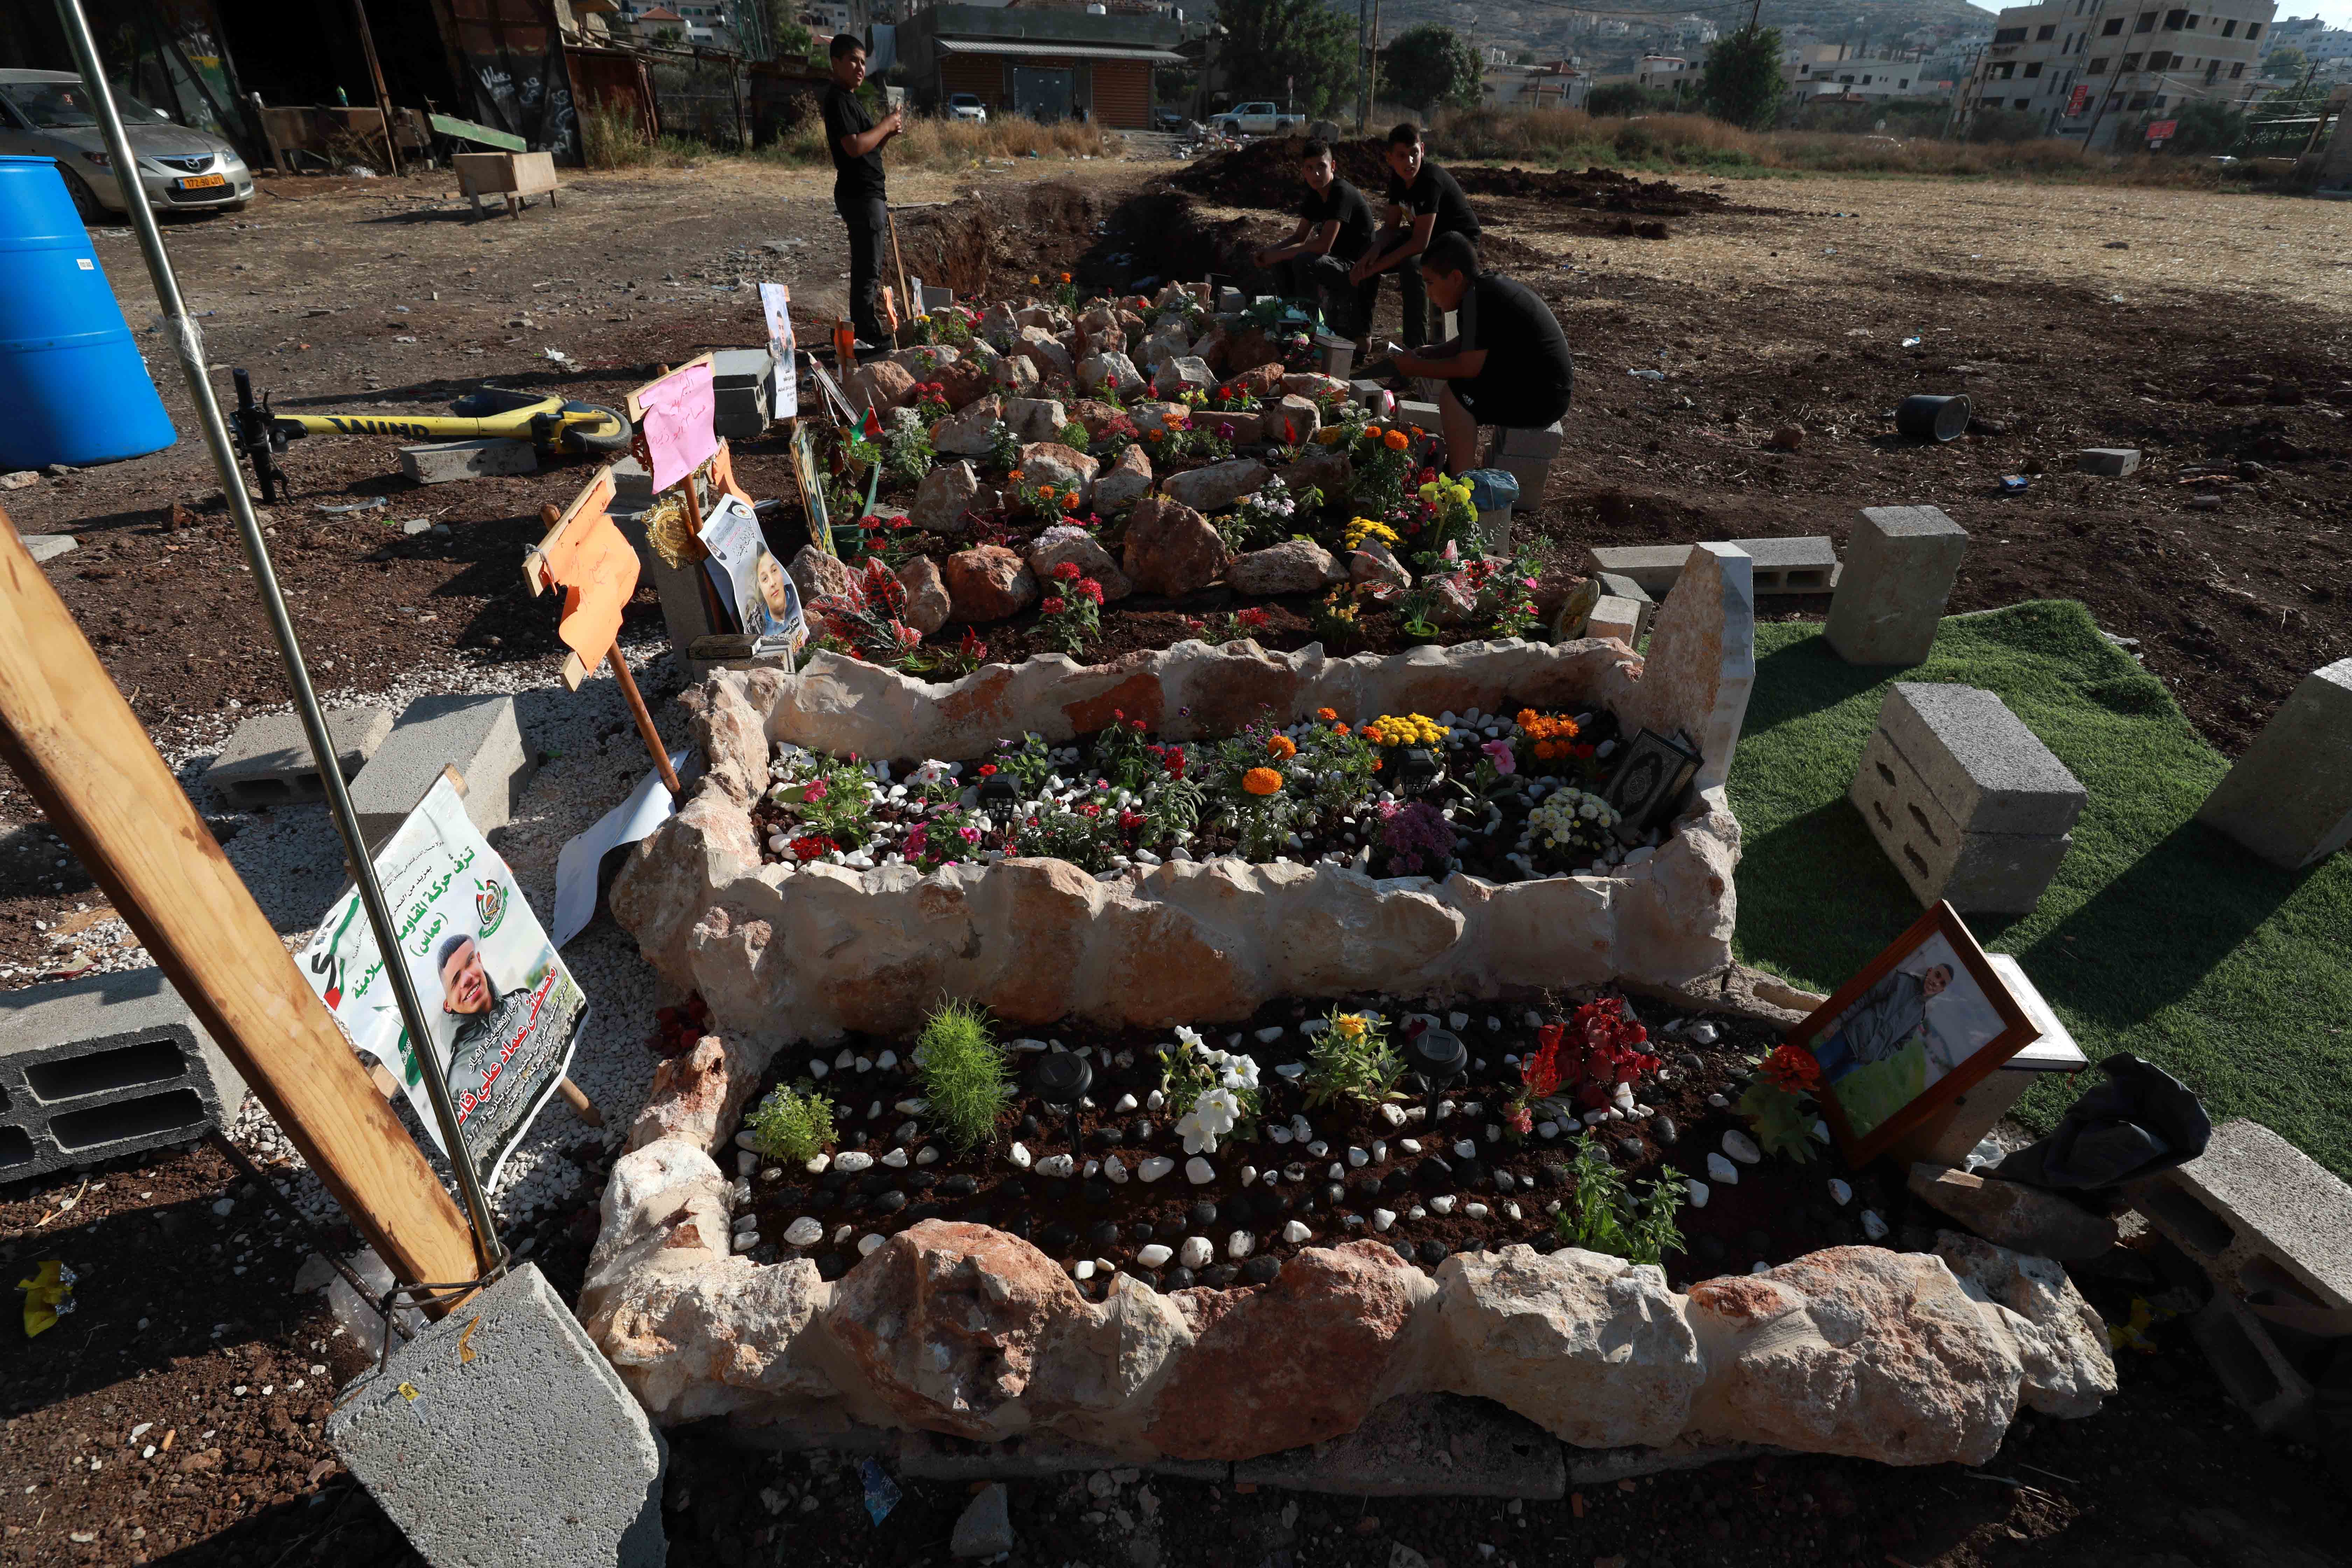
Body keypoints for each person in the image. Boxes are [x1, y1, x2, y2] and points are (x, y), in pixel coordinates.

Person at [1390, 233, 1575, 476]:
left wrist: (1416, 368)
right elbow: (1473, 342)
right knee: (1460, 390)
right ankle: (1459, 469)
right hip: (1542, 386)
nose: (1428, 293)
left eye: (1431, 283)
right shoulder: (1482, 290)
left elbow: (1467, 368)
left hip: (1544, 398)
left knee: (1456, 396)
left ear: (1456, 278)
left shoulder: (1477, 300)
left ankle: (1460, 482)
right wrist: (1435, 352)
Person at [1350, 122, 1480, 348]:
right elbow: (1390, 228)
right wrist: (1368, 258)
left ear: (1423, 150)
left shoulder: (1430, 180)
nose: (1410, 162)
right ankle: (1362, 338)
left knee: (1413, 267)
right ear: (1390, 159)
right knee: (1367, 251)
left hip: (1459, 243)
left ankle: (1415, 349)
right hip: (1430, 237)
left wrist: (1374, 268)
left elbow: (1420, 244)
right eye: (1402, 156)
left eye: (1414, 154)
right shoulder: (1398, 179)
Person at [821, 34, 903, 354]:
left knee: (869, 265)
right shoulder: (838, 100)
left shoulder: (850, 99)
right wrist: (885, 125)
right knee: (868, 268)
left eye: (863, 62)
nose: (860, 68)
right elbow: (854, 147)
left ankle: (864, 331)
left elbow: (868, 149)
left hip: (868, 192)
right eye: (853, 60)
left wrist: (887, 133)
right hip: (860, 194)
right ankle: (867, 335)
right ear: (836, 63)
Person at [1250, 139, 1377, 333]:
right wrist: (1269, 252)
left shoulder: (1340, 193)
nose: (1316, 174)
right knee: (1282, 261)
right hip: (1335, 261)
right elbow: (1299, 236)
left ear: (1333, 166)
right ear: (1303, 171)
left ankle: (1309, 325)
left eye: (1321, 167)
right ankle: (1291, 315)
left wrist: (1279, 254)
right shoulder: (1315, 194)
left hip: (1356, 266)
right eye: (1310, 168)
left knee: (1302, 261)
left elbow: (1324, 245)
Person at [1811, 962, 1953, 1084]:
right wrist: (1836, 1022)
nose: (1936, 982)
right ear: (1930, 971)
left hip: (1860, 1060)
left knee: (1822, 1086)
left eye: (1942, 983)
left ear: (1942, 990)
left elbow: (1901, 1044)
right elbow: (1865, 999)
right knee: (1810, 1066)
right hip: (1848, 1037)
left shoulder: (1919, 1015)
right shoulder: (1901, 980)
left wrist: (1878, 1053)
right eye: (1937, 975)